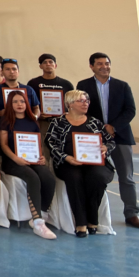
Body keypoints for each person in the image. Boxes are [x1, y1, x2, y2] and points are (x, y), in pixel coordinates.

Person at [80, 52, 139, 229]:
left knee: (127, 177)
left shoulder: (122, 86)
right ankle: (89, 215)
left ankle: (132, 214)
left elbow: (130, 110)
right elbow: (82, 110)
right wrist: (100, 129)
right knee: (93, 176)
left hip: (120, 137)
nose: (104, 67)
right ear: (91, 66)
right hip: (94, 138)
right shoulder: (83, 85)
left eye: (107, 63)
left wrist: (113, 127)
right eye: (100, 64)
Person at [46, 90, 115, 237]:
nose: (86, 104)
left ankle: (93, 220)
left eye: (87, 101)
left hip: (94, 163)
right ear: (70, 104)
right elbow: (50, 143)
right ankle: (81, 222)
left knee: (98, 178)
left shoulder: (95, 122)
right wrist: (66, 157)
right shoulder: (58, 122)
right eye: (81, 101)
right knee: (74, 179)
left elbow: (110, 141)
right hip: (68, 163)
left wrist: (105, 148)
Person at [0, 90, 57, 239]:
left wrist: (41, 157)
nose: (19, 104)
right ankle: (38, 223)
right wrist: (15, 158)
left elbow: (37, 143)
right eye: (15, 102)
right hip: (12, 161)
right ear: (10, 104)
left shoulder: (32, 121)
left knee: (49, 178)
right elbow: (3, 145)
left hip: (32, 159)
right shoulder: (5, 121)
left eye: (22, 101)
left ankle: (42, 213)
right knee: (33, 178)